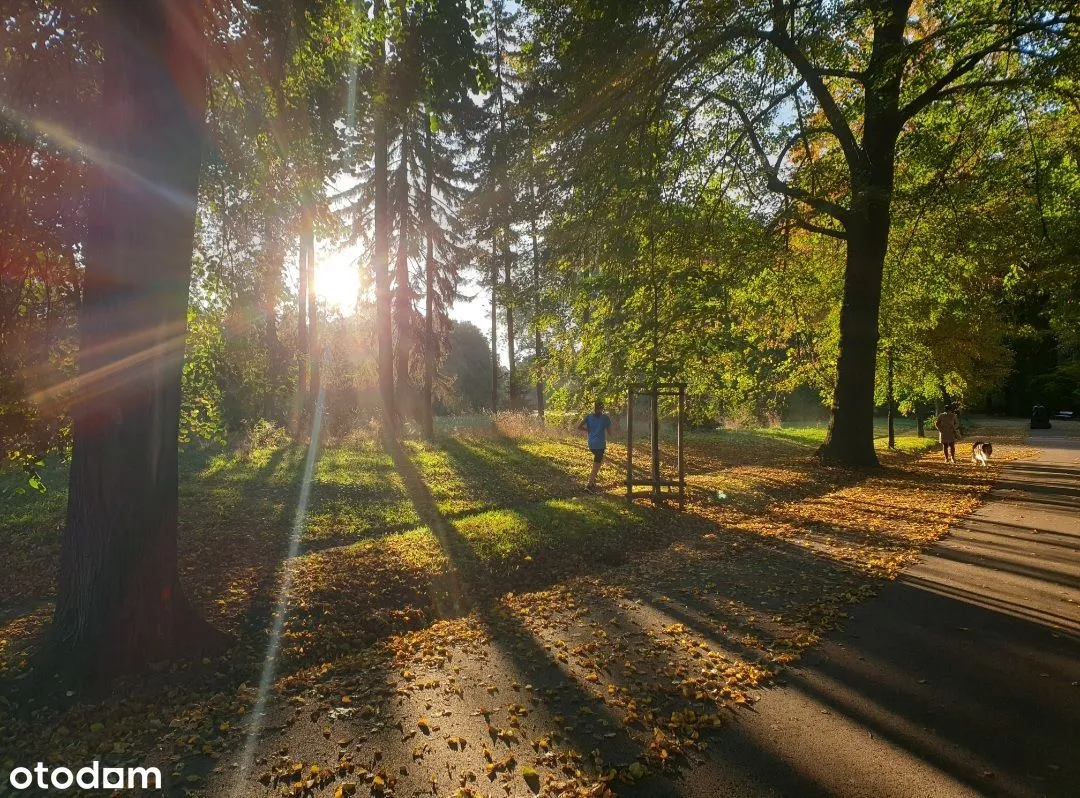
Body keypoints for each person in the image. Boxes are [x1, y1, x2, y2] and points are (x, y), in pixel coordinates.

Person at [578, 399, 612, 492]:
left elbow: (579, 427)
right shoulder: (605, 418)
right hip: (600, 444)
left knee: (599, 461)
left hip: (591, 444)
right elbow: (610, 433)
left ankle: (592, 482)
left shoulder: (588, 417)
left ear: (595, 408)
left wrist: (589, 431)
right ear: (602, 408)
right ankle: (588, 486)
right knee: (596, 465)